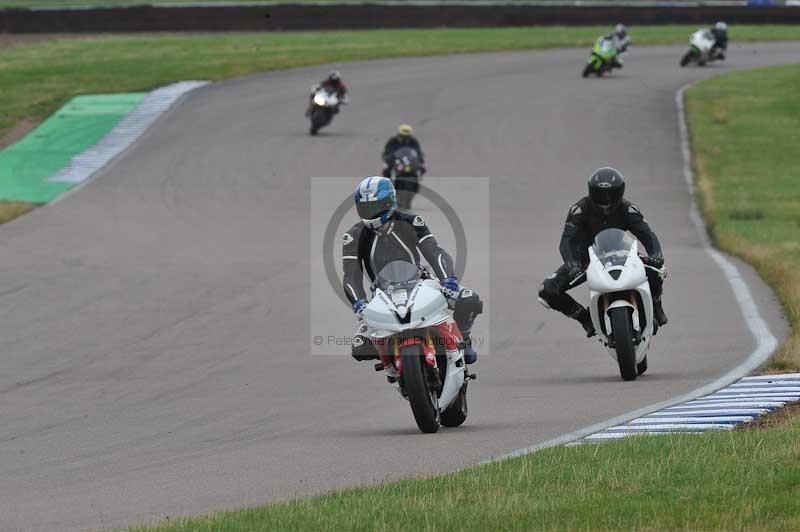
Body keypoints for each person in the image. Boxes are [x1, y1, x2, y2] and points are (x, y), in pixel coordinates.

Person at [342, 176, 482, 364]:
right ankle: (391, 361)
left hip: (420, 280)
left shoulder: (411, 222)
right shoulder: (352, 237)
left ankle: (464, 339)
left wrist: (448, 280)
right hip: (381, 292)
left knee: (469, 299)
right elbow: (351, 274)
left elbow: (434, 251)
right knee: (359, 348)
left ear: (390, 201)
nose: (372, 212)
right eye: (366, 208)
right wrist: (359, 303)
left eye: (377, 206)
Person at [538, 167, 668, 337]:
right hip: (587, 259)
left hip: (623, 253)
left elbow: (647, 234)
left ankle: (656, 304)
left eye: (610, 194)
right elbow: (566, 241)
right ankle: (585, 318)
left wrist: (656, 254)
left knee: (656, 270)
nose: (605, 201)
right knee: (547, 290)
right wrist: (573, 264)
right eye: (600, 195)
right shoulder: (580, 209)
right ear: (591, 192)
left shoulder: (628, 209)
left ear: (619, 192)